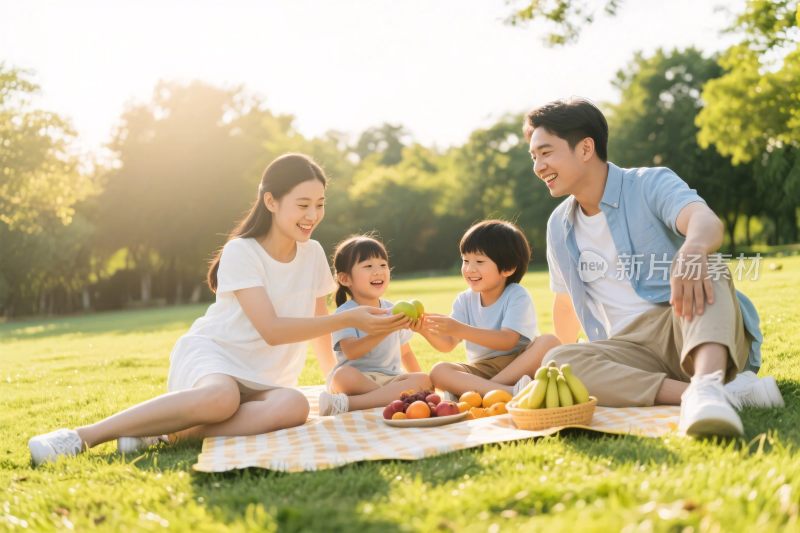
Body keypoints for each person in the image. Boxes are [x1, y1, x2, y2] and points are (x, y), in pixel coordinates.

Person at [28, 153, 408, 465]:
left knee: (293, 404)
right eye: (303, 205)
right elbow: (272, 329)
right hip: (217, 356)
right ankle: (81, 437)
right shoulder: (242, 251)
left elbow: (320, 325)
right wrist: (348, 318)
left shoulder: (311, 255)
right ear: (271, 201)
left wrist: (333, 380)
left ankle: (163, 432)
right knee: (222, 398)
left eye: (320, 205)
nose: (313, 215)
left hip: (267, 377)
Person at [524, 97, 784, 437]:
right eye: (534, 157)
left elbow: (704, 221)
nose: (538, 166)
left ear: (585, 148)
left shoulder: (649, 183)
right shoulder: (559, 225)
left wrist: (693, 249)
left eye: (545, 152)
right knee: (559, 362)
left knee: (709, 265)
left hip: (687, 321)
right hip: (629, 350)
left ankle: (707, 381)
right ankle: (708, 395)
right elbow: (565, 305)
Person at [420, 220, 561, 398]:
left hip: (519, 364)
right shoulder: (464, 300)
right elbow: (448, 344)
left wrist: (460, 329)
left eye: (479, 261)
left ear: (508, 268)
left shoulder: (516, 295)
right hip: (483, 368)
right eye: (465, 260)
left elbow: (508, 340)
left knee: (549, 342)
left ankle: (482, 391)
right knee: (438, 371)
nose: (469, 269)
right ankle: (506, 392)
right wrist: (423, 329)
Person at [318, 235, 431, 416]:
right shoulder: (345, 314)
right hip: (359, 379)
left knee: (425, 379)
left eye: (383, 265)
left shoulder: (393, 309)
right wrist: (387, 329)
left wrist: (426, 391)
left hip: (391, 380)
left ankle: (350, 404)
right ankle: (391, 398)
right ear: (345, 279)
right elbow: (352, 351)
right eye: (368, 266)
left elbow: (406, 352)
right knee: (342, 376)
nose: (378, 271)